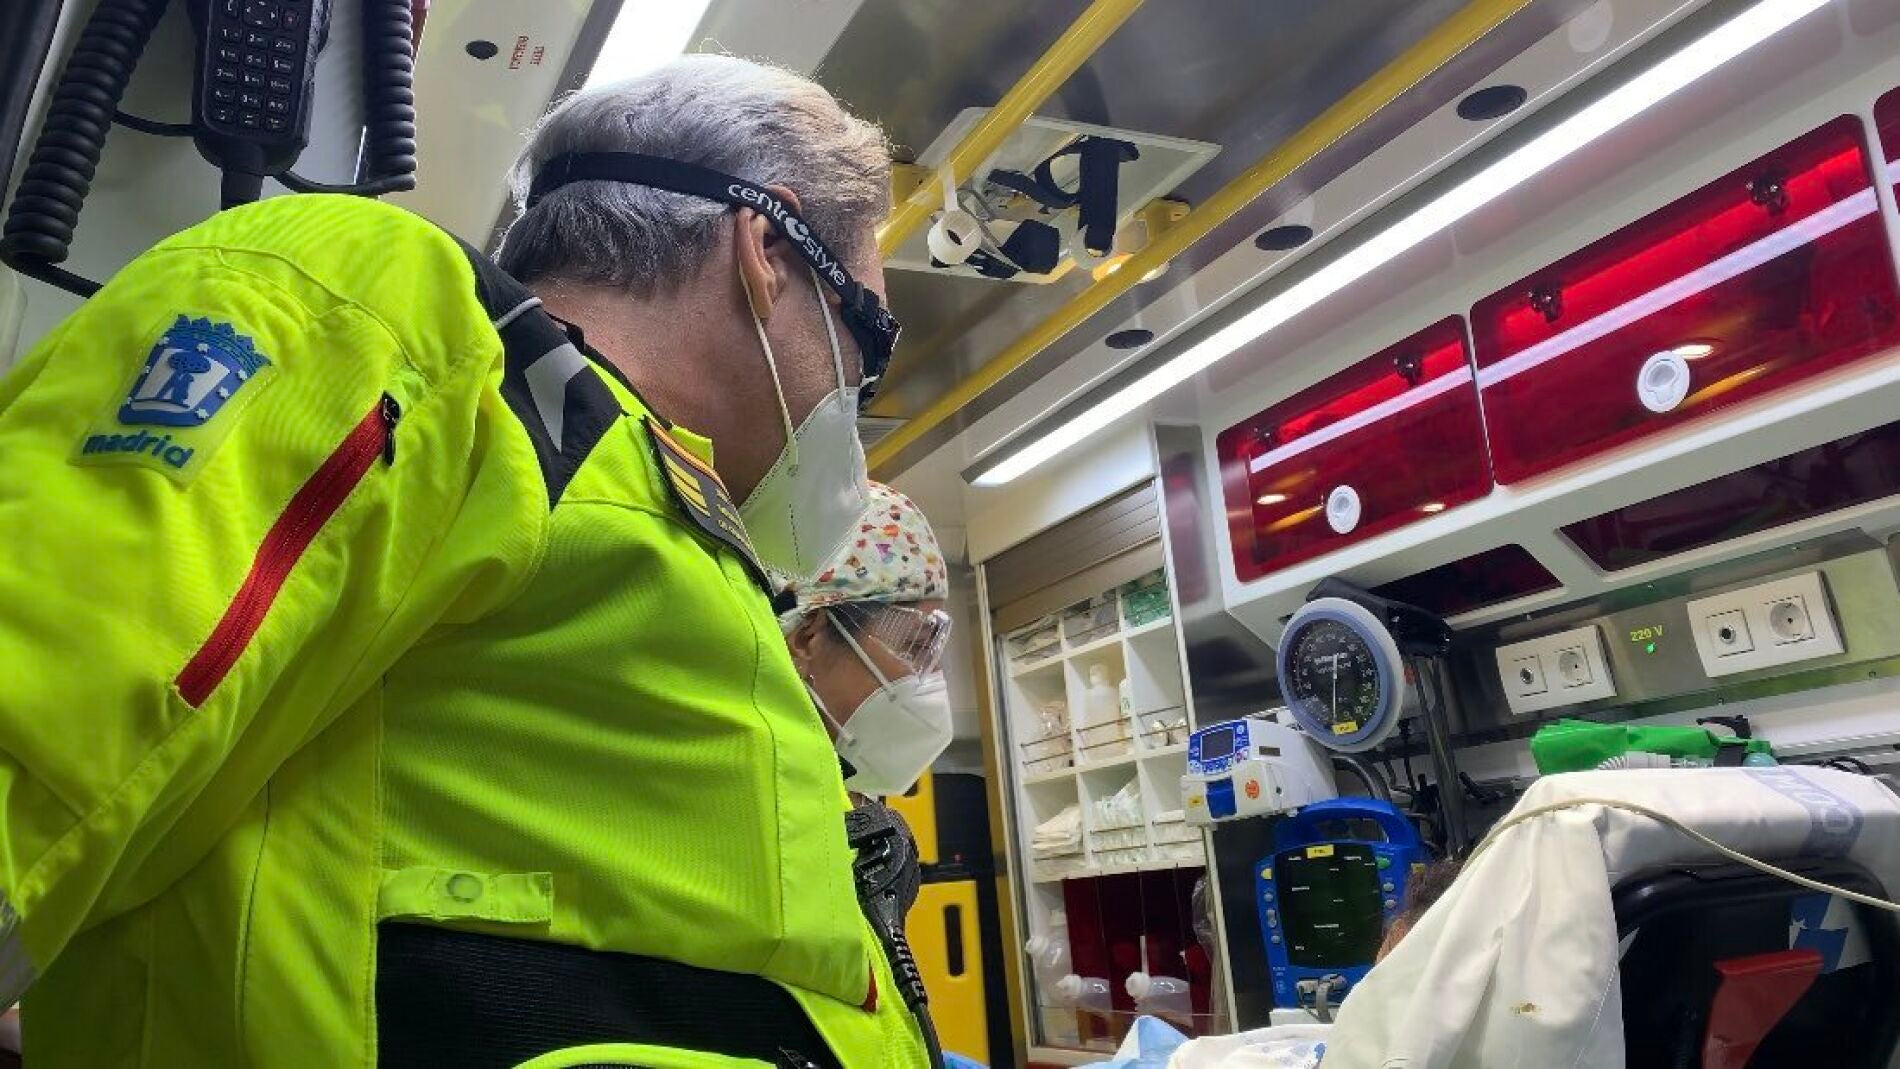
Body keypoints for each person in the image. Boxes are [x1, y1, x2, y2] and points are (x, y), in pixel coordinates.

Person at [0, 55, 927, 1067]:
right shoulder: (423, 325)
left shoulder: (683, 527)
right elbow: (49, 715)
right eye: (866, 339)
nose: (859, 394)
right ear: (766, 250)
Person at [781, 481, 955, 801]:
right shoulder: (736, 795)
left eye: (934, 652)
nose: (929, 678)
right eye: (915, 646)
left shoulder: (838, 801)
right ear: (808, 637)